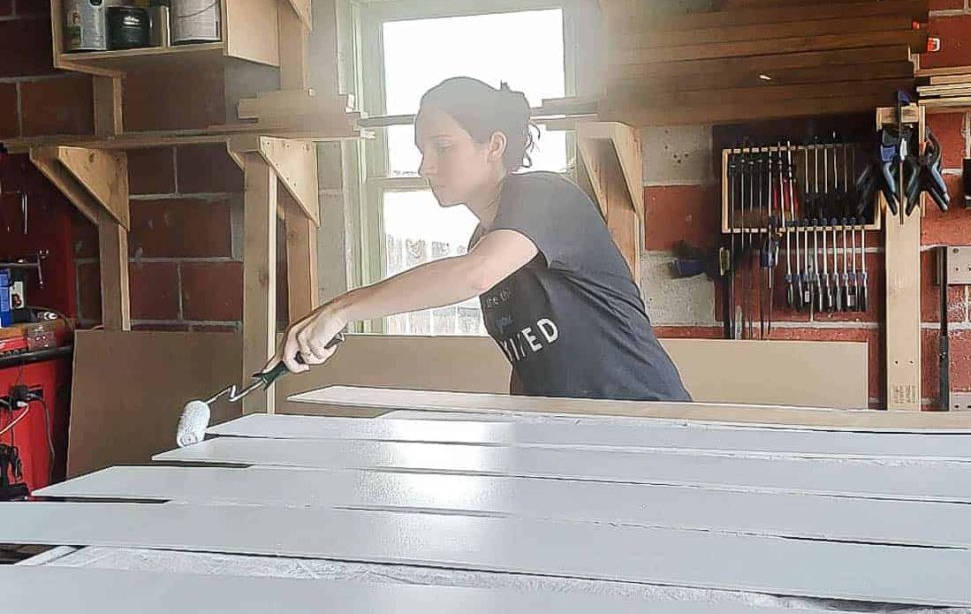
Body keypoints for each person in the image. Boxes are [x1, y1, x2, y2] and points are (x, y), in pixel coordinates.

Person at [263, 76, 691, 401]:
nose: (424, 166)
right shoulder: (482, 242)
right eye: (421, 150)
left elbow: (475, 275)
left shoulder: (544, 195)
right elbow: (529, 361)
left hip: (645, 419)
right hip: (573, 436)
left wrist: (339, 311)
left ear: (494, 146)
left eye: (442, 147)